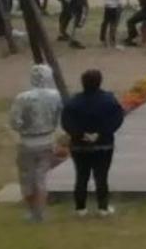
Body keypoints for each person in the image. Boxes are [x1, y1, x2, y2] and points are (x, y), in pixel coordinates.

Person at [62, 68, 126, 217]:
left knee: (81, 176)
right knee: (101, 176)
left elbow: (66, 122)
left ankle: (80, 208)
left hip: (80, 145)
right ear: (100, 82)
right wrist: (101, 133)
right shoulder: (109, 100)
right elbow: (117, 118)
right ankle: (103, 208)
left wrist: (80, 134)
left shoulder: (74, 102)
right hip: (103, 145)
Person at [10, 64, 63, 223]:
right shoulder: (55, 96)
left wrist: (23, 127)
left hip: (27, 142)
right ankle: (40, 212)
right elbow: (58, 117)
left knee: (26, 178)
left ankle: (31, 210)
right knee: (41, 178)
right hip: (47, 140)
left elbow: (14, 121)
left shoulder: (22, 98)